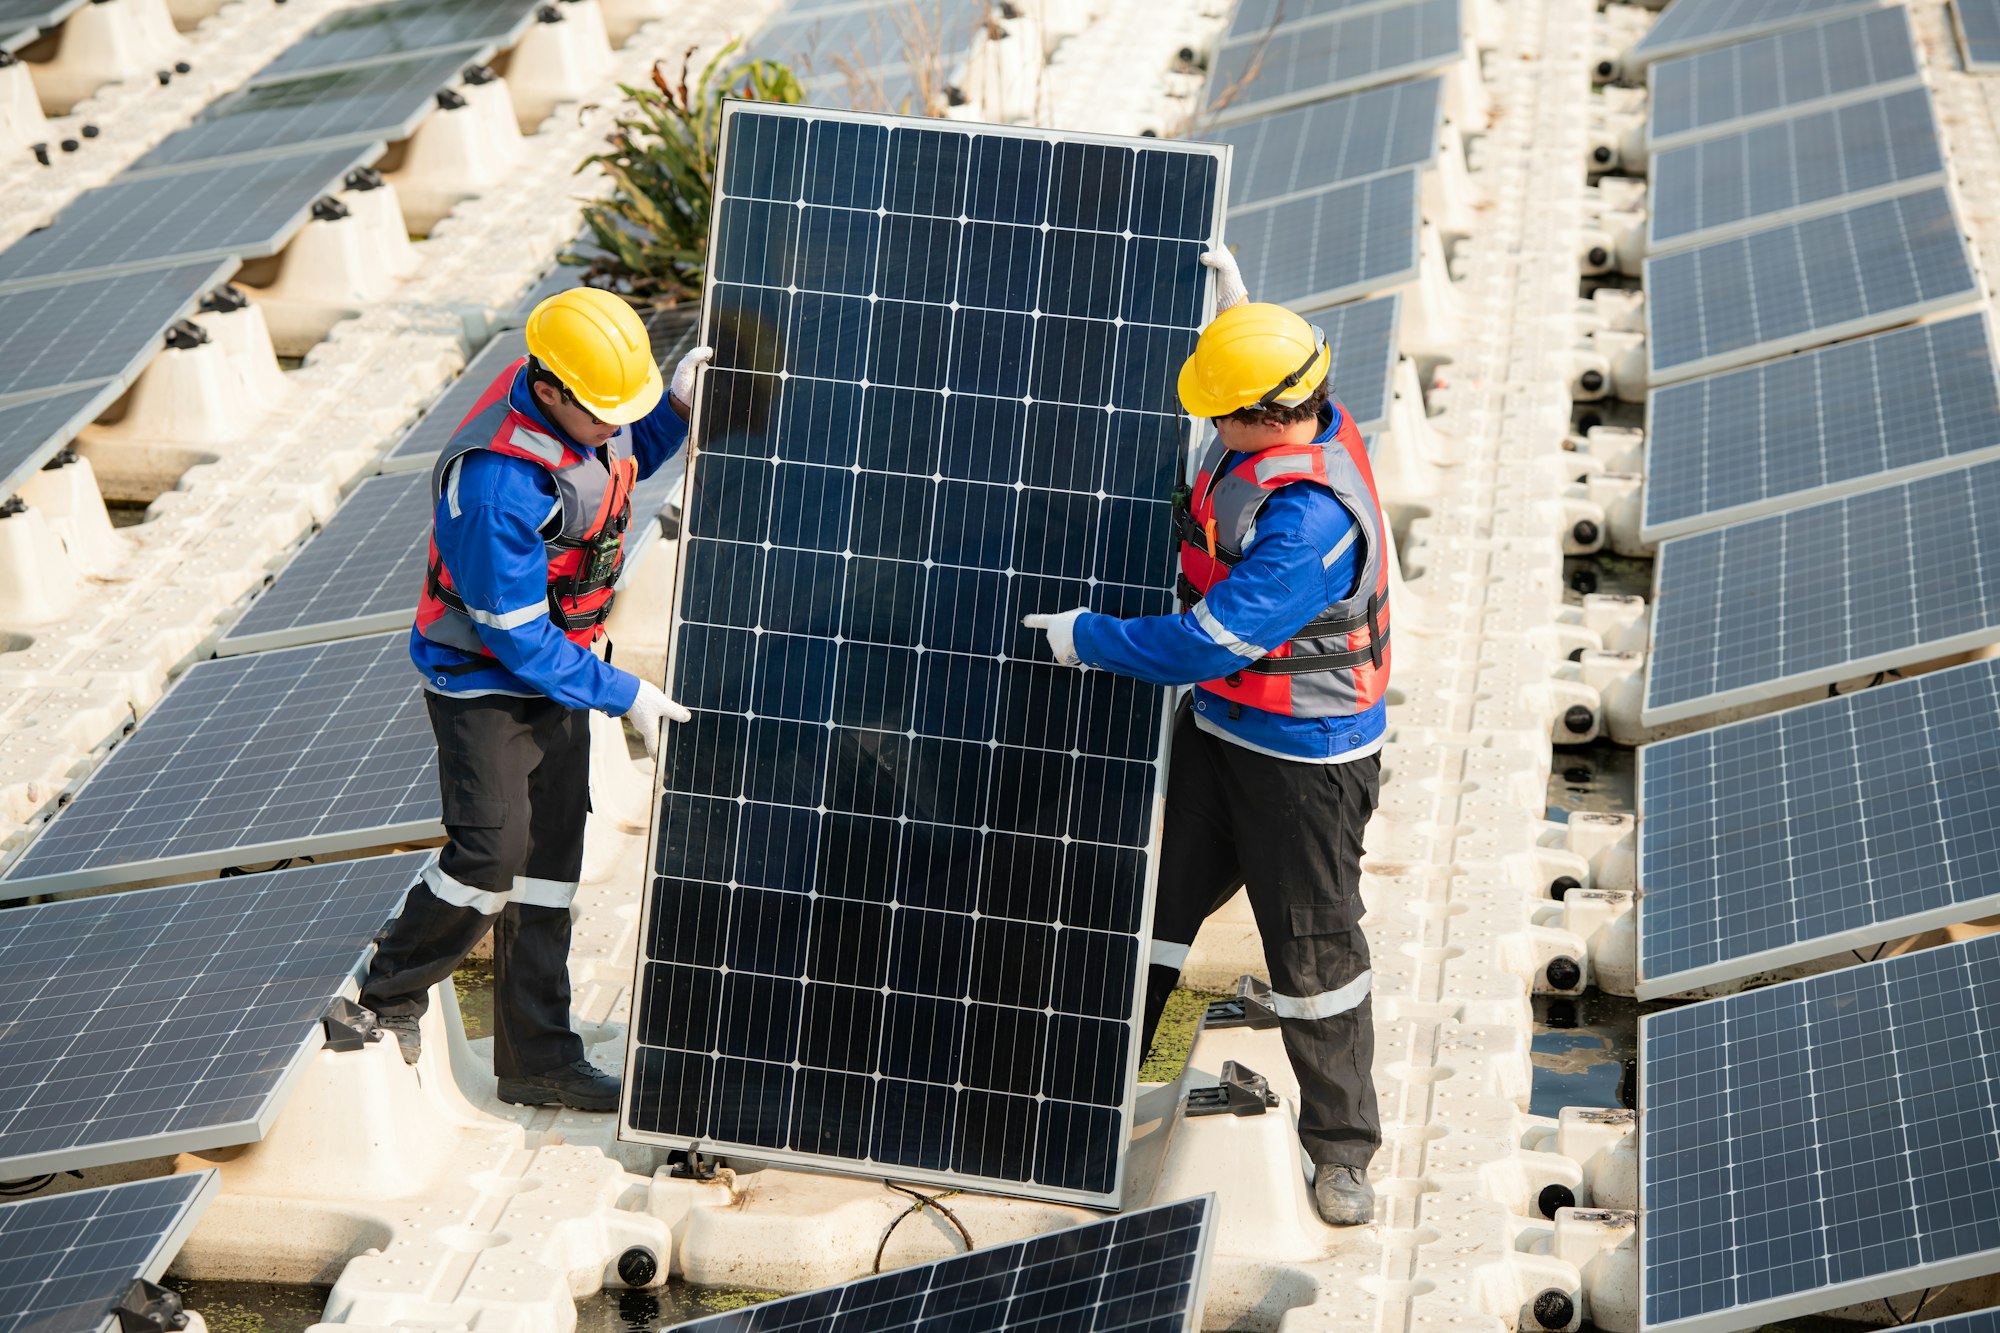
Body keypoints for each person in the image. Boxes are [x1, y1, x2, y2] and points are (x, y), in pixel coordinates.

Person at [1022, 251, 1390, 1226]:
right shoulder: (1290, 410)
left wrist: (1085, 639)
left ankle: (1341, 1147)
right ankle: (1121, 1074)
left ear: (1262, 417)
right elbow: (1256, 377)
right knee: (1154, 906)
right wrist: (1237, 316)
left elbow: (1199, 641)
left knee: (1311, 961)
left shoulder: (1308, 522)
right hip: (1221, 729)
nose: (1207, 424)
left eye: (1218, 405)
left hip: (1303, 768)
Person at [360, 288, 710, 1112]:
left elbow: (617, 458)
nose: (614, 423)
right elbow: (515, 639)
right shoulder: (497, 488)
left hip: (562, 663)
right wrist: (624, 693)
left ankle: (538, 1055)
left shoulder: (582, 406)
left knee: (550, 864)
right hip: (484, 681)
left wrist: (679, 412)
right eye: (604, 412)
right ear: (548, 391)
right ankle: (387, 991)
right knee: (490, 854)